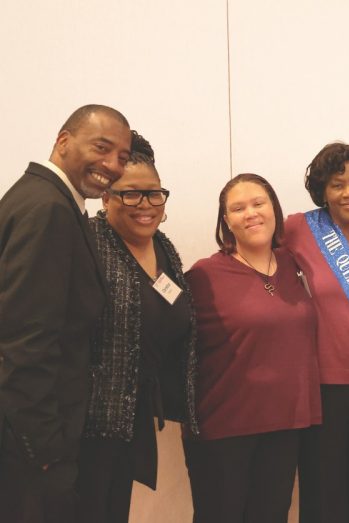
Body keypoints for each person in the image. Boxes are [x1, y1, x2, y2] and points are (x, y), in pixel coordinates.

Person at [0, 105, 131, 523]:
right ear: (63, 141)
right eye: (101, 147)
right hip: (29, 447)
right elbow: (26, 339)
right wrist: (43, 450)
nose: (111, 165)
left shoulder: (45, 199)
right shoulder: (48, 209)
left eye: (122, 157)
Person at [184, 173, 320, 523]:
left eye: (259, 203)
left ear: (274, 209)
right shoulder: (204, 275)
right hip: (224, 428)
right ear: (226, 220)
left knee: (272, 515)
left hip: (286, 424)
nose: (251, 213)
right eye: (238, 208)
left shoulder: (295, 264)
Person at [77, 131, 198, 522]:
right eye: (130, 194)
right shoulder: (89, 243)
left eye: (154, 193)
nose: (144, 204)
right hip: (85, 426)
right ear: (107, 198)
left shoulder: (163, 247)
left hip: (131, 420)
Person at [283, 142, 349, 523]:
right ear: (322, 191)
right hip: (318, 387)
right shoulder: (298, 228)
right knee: (322, 493)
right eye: (337, 184)